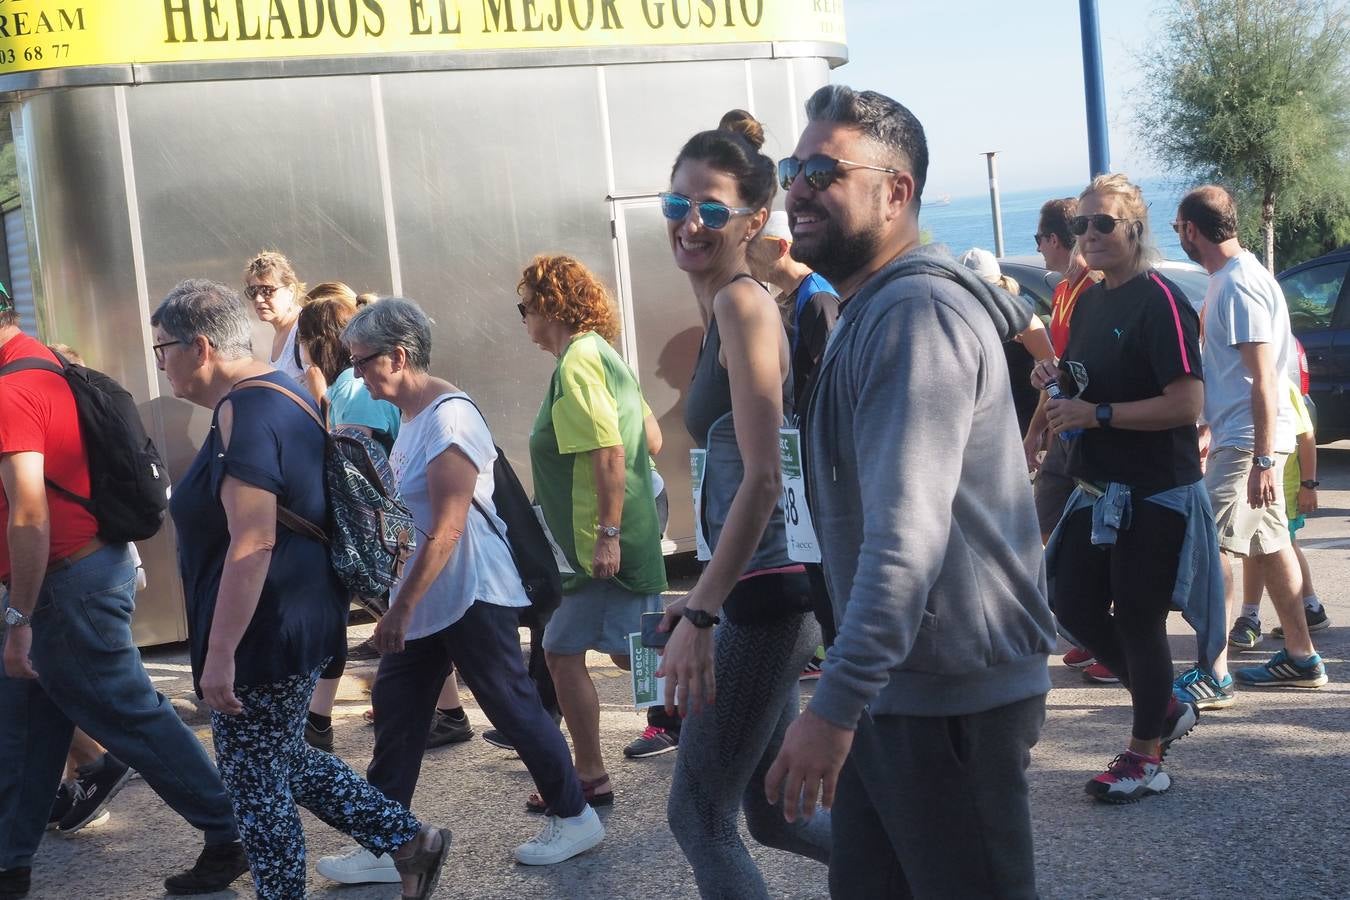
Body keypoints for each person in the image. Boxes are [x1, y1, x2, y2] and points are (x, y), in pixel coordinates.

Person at [762, 84, 1054, 897]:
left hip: (945, 703)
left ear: (897, 192)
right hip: (899, 689)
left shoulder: (916, 315)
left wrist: (834, 707)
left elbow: (906, 538)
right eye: (795, 168)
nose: (797, 189)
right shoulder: (867, 310)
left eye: (823, 170)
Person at [152, 279, 451, 900]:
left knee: (254, 784)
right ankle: (409, 841)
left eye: (163, 349)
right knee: (281, 757)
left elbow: (253, 541)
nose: (160, 363)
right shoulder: (280, 390)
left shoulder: (248, 409)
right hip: (298, 616)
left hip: (266, 627)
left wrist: (220, 655)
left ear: (200, 346)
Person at [316, 298, 603, 888]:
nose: (356, 372)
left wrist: (398, 610)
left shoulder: (448, 418)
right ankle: (382, 839)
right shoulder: (419, 415)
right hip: (435, 596)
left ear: (399, 356)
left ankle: (575, 815)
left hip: (469, 588)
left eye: (364, 360)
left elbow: (448, 527)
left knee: (511, 704)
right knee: (398, 713)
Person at [1, 293, 249, 899]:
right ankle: (9, 863)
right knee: (26, 727)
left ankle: (233, 830)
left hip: (65, 585)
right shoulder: (39, 361)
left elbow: (31, 514)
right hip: (76, 575)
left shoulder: (10, 392)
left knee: (133, 717)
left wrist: (18, 617)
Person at [657, 109, 830, 899]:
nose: (690, 223)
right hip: (749, 591)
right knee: (771, 813)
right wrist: (696, 595)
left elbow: (763, 477)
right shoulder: (722, 305)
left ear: (755, 218)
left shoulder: (742, 306)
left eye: (712, 208)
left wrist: (703, 614)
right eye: (677, 205)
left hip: (761, 599)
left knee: (699, 817)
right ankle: (909, 870)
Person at [1036, 174, 1221, 803]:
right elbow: (1085, 380)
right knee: (1072, 602)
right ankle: (1162, 704)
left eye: (1104, 224)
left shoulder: (1159, 299)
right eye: (1082, 225)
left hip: (1155, 489)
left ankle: (1146, 757)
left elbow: (1187, 402)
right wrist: (1058, 384)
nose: (1089, 235)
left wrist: (1099, 416)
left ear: (1135, 231)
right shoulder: (1088, 298)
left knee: (1139, 618)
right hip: (1098, 485)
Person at [516, 253, 670, 800]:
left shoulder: (577, 363)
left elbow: (608, 446)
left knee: (567, 652)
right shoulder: (603, 355)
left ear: (547, 306)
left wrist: (607, 532)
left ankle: (590, 774)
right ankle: (707, 728)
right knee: (640, 652)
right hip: (622, 533)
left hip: (597, 545)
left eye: (524, 308)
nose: (525, 320)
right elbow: (650, 440)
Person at [1170, 185, 1329, 702]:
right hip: (1240, 436)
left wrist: (1262, 457)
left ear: (1193, 230)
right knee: (1272, 542)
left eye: (1178, 229)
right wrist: (1211, 427)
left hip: (1249, 444)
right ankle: (1302, 658)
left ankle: (1214, 672)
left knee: (1210, 547)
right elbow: (1238, 379)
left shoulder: (1238, 284)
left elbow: (1264, 378)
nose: (1178, 237)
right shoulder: (1233, 278)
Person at [1021, 198, 1117, 683]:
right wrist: (1037, 428)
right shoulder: (1062, 293)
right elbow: (1057, 369)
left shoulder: (1093, 291)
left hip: (1088, 431)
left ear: (1055, 239)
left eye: (1040, 240)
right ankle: (1086, 630)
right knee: (1048, 527)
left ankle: (1107, 636)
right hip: (1063, 427)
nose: (1038, 250)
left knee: (1095, 537)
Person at [746, 210, 838, 676]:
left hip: (819, 451)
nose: (747, 257)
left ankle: (835, 651)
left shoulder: (818, 297)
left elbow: (827, 382)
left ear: (781, 246)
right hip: (801, 447)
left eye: (754, 246)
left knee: (825, 562)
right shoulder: (796, 297)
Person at [957, 247, 1057, 436]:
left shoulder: (1023, 321)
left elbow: (1053, 379)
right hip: (981, 428)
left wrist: (1040, 436)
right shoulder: (963, 324)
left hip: (1020, 428)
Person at [244, 251, 308, 382]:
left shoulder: (305, 331)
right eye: (253, 291)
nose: (258, 299)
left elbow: (323, 396)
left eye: (267, 291)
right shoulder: (280, 331)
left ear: (291, 291)